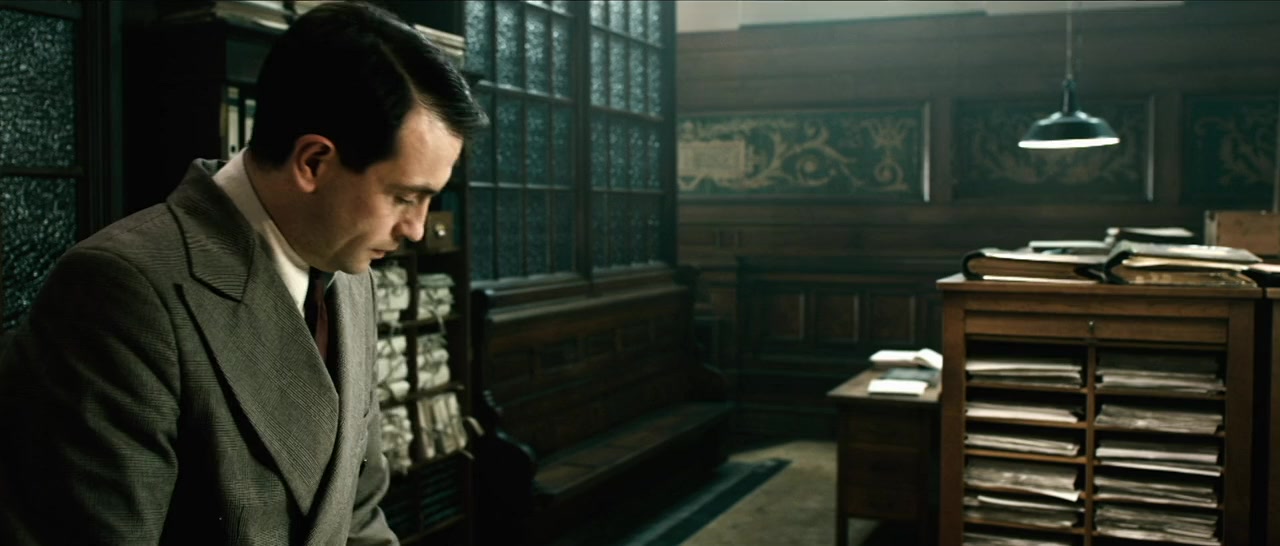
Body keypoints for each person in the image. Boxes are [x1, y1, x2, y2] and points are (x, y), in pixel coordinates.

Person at [0, 1, 487, 544]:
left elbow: (358, 514)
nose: (416, 229)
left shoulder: (349, 273)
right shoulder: (122, 292)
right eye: (404, 196)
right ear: (313, 163)